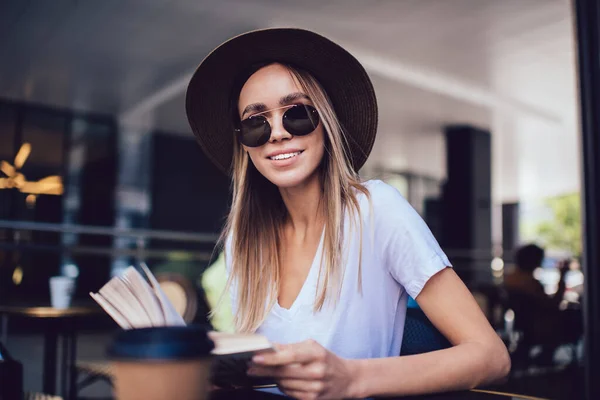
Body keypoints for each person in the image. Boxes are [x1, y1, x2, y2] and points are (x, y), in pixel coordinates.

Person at [186, 28, 510, 399]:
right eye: (256, 122)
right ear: (244, 143)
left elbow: (491, 357)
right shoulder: (243, 241)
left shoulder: (375, 210)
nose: (276, 133)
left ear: (326, 123)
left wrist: (351, 378)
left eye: (296, 113)